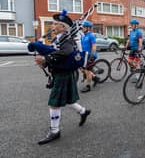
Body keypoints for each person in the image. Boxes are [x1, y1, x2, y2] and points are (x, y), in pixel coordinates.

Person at [35, 11, 91, 145]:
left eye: (56, 24)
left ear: (64, 27)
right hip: (61, 73)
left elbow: (66, 52)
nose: (52, 26)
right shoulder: (58, 38)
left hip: (63, 74)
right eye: (53, 23)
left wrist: (45, 59)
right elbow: (55, 51)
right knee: (68, 100)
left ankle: (55, 131)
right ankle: (83, 112)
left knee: (54, 103)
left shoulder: (66, 38)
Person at [80, 20, 99, 93]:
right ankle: (95, 78)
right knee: (82, 70)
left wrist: (91, 55)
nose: (83, 28)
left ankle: (88, 86)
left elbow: (94, 46)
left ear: (88, 28)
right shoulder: (83, 36)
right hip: (84, 55)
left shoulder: (91, 35)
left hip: (91, 55)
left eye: (84, 27)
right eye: (82, 27)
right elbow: (82, 46)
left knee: (87, 71)